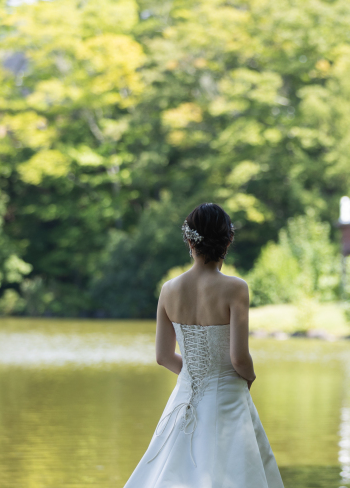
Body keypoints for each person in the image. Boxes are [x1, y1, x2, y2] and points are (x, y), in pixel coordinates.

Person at [124, 203, 284, 488]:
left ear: (189, 240)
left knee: (173, 472)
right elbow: (238, 358)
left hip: (184, 397)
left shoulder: (169, 290)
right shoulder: (236, 288)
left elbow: (162, 356)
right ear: (228, 241)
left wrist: (196, 375)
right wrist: (249, 376)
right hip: (228, 397)